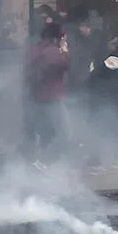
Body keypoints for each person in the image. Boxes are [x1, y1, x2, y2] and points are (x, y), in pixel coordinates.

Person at [26, 21, 71, 164]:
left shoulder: (35, 49)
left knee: (46, 131)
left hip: (37, 96)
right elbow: (65, 65)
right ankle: (46, 161)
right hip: (52, 97)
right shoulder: (51, 51)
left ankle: (44, 162)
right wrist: (64, 50)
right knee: (64, 133)